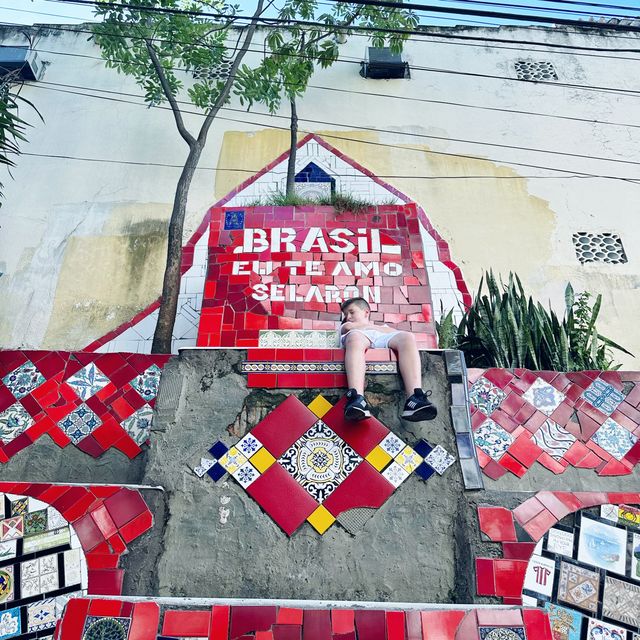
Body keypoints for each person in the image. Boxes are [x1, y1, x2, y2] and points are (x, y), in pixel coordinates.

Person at [339, 297, 437, 422]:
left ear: (366, 312)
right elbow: (348, 328)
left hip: (381, 337)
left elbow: (395, 332)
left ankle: (415, 397)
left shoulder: (382, 328)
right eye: (345, 314)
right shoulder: (348, 326)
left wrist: (375, 328)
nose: (348, 317)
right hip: (360, 336)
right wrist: (375, 328)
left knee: (407, 337)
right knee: (355, 337)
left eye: (352, 312)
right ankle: (356, 398)